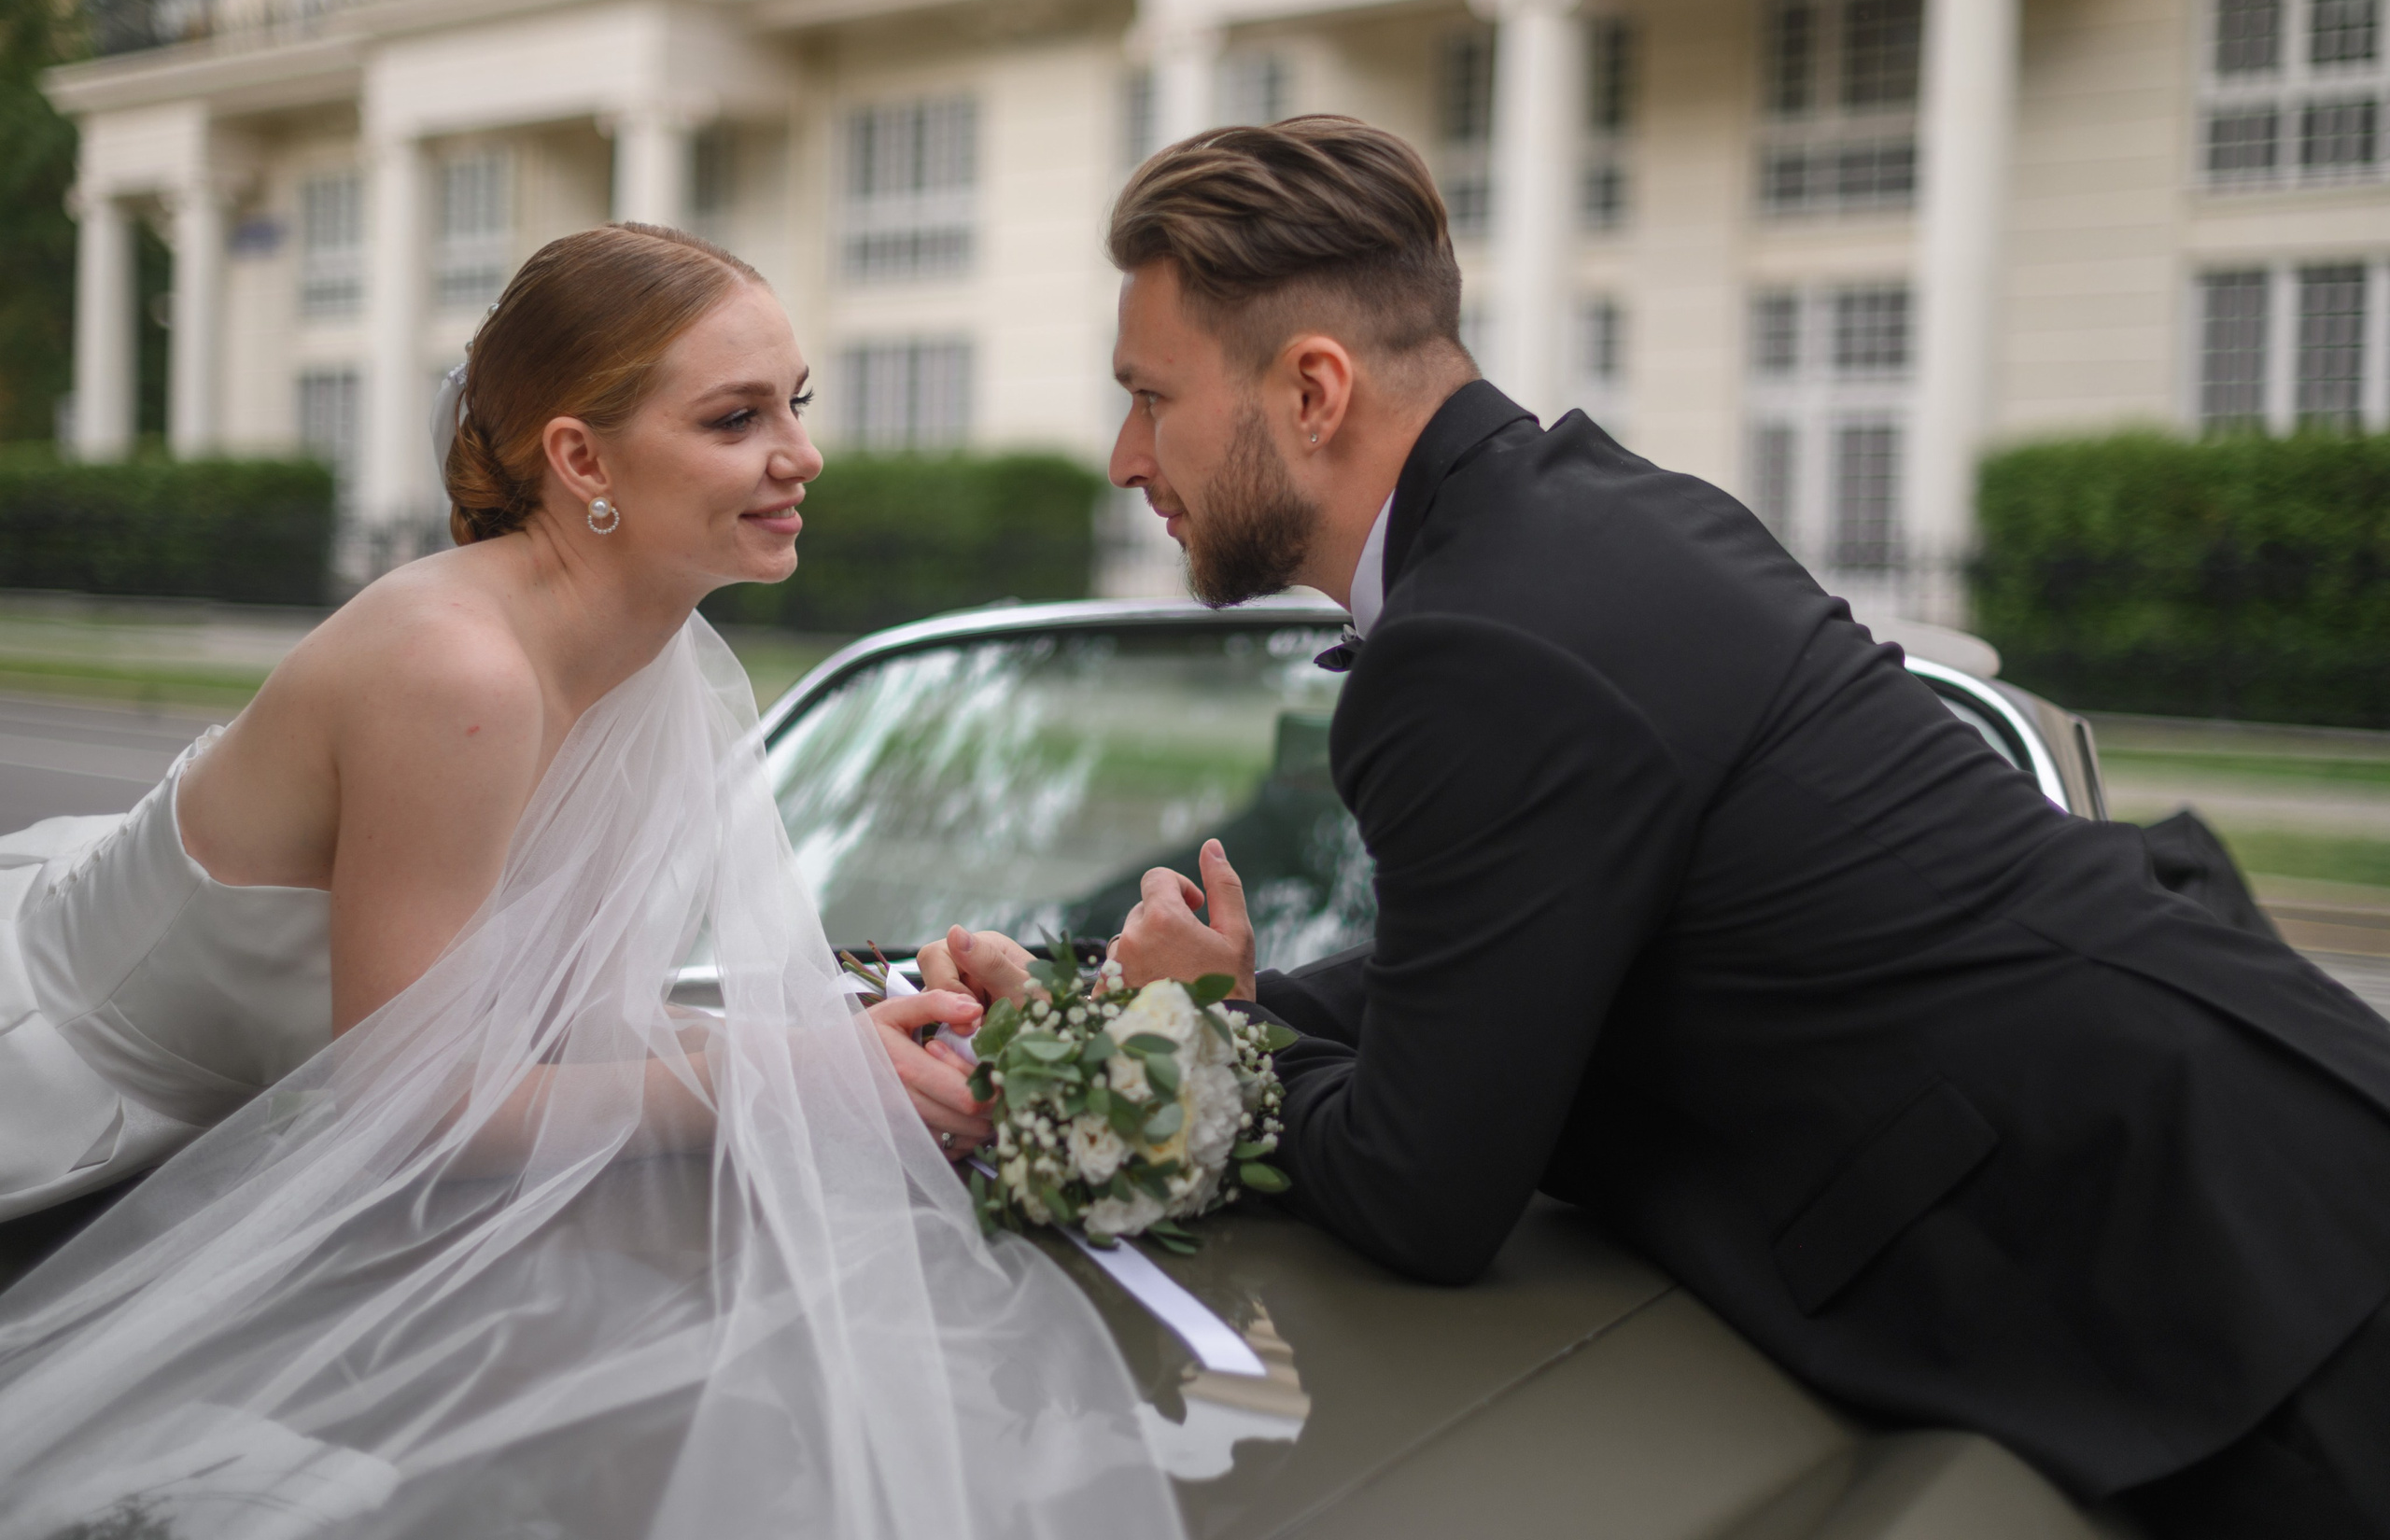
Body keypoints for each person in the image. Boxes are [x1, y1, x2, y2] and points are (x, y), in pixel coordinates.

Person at [922, 117, 2390, 1540]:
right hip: (2261, 1165)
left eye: (1150, 395)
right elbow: (1501, 958)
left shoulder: (1473, 644)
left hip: (2229, 1269)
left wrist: (1212, 1037)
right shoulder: (1590, 517)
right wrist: (1116, 1006)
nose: (1125, 455)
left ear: (1313, 390)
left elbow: (1418, 1191)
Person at [0, 223, 1179, 1539]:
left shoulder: (655, 651)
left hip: (245, 1131)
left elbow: (549, 1022)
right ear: (579, 458)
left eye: (795, 403)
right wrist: (761, 1074)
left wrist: (824, 1047)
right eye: (736, 418)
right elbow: (411, 1097)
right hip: (68, 1108)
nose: (802, 454)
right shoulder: (459, 671)